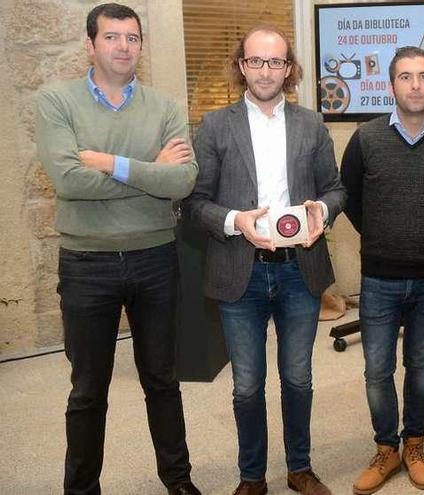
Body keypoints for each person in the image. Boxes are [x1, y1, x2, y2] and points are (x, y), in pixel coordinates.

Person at [35, 3, 200, 494]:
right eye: (111, 37)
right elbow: (67, 180)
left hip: (155, 259)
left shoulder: (165, 107)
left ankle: (178, 480)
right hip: (87, 263)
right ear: (90, 44)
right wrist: (151, 170)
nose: (123, 46)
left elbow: (185, 181)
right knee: (88, 390)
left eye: (132, 37)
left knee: (163, 382)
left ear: (141, 46)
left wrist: (110, 163)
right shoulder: (56, 101)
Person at [183, 24, 344, 495]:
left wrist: (323, 210)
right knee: (247, 387)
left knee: (298, 379)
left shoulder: (312, 124)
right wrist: (236, 221)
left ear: (289, 68)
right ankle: (252, 477)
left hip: (300, 271)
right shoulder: (215, 125)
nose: (266, 70)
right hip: (240, 272)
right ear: (241, 66)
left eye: (275, 61)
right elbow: (194, 202)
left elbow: (335, 189)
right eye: (256, 60)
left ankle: (300, 468)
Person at [340, 46, 424, 494]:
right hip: (379, 276)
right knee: (377, 369)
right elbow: (352, 200)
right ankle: (386, 449)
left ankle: (414, 443)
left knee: (420, 365)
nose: (415, 85)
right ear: (390, 85)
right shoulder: (365, 138)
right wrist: (382, 238)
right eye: (406, 77)